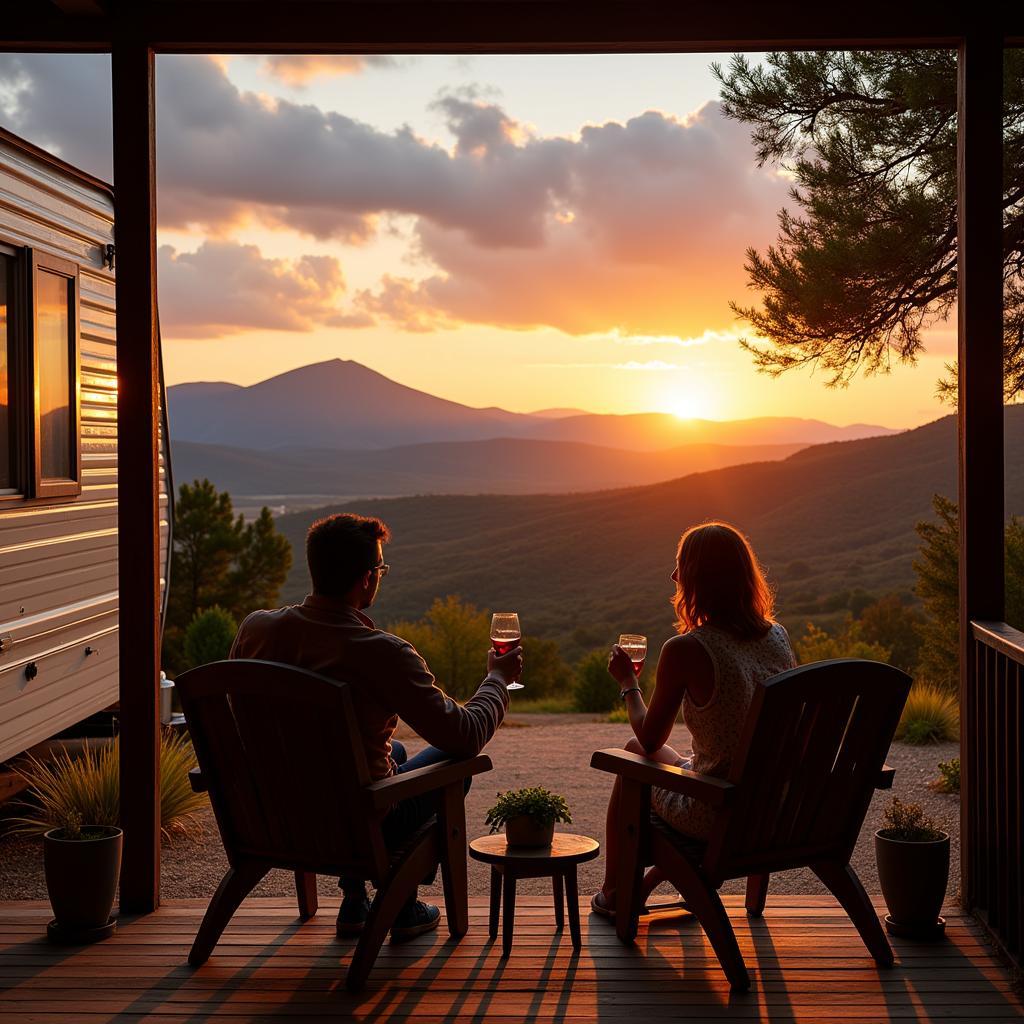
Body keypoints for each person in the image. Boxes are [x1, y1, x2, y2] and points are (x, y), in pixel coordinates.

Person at [229, 512, 523, 941]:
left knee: (395, 754)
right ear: (367, 579)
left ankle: (355, 901)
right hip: (357, 827)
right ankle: (401, 907)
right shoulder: (381, 654)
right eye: (380, 570)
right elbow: (464, 733)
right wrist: (496, 679)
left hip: (274, 818)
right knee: (454, 764)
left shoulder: (256, 629)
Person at [592, 521, 796, 918]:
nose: (673, 577)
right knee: (640, 752)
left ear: (699, 578)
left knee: (632, 761)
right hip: (774, 803)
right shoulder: (777, 635)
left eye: (679, 566)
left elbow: (651, 740)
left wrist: (629, 684)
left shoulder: (687, 649)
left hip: (720, 807)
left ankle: (617, 892)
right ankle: (650, 883)